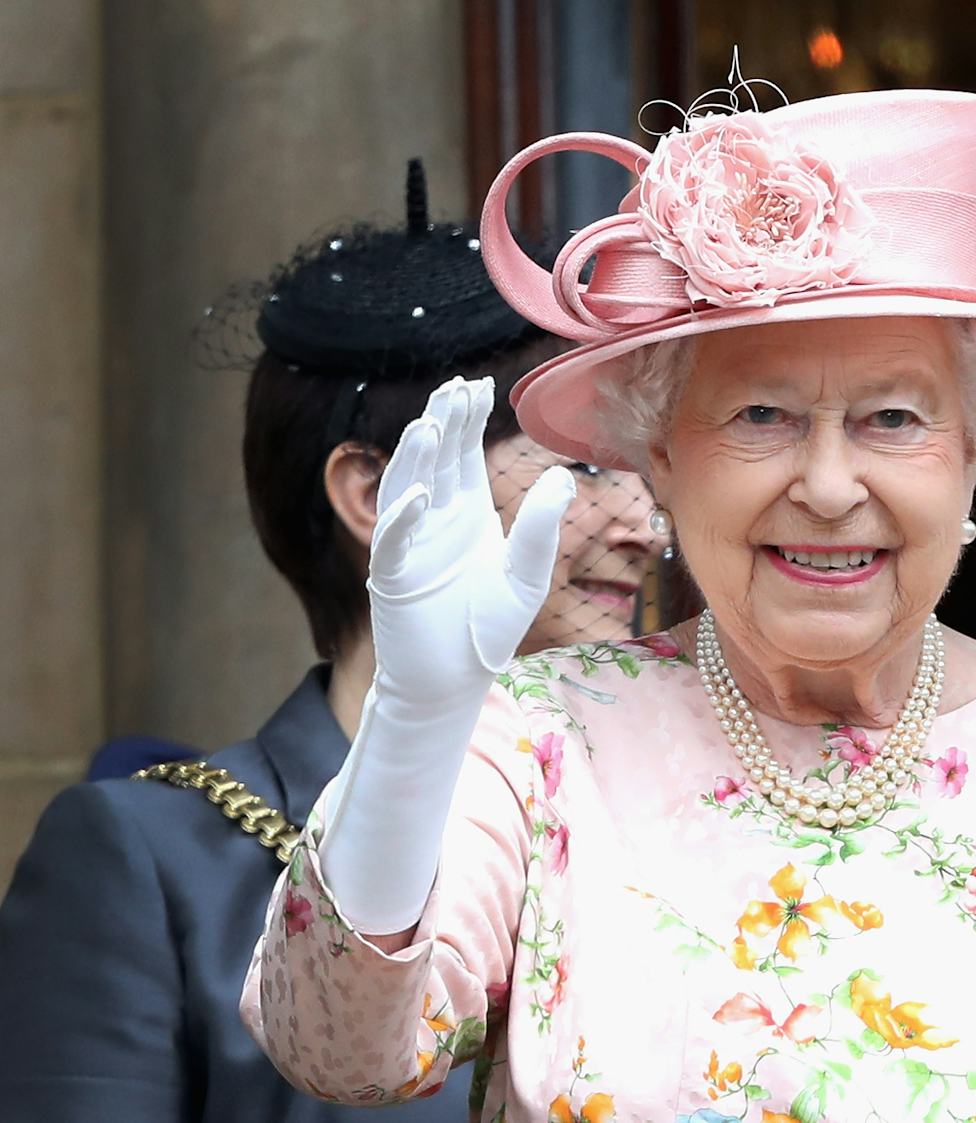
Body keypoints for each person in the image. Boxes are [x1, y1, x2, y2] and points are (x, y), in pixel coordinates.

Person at [241, 86, 976, 1121]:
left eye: (891, 418)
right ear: (661, 455)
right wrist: (414, 726)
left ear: (972, 452)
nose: (831, 488)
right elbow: (338, 1049)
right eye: (761, 414)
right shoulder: (537, 743)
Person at [0, 164, 668, 1122]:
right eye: (585, 469)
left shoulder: (658, 825)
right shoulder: (151, 860)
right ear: (379, 495)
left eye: (647, 471)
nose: (644, 522)